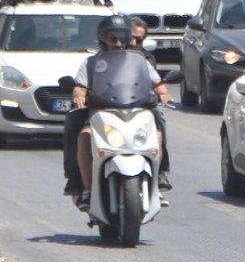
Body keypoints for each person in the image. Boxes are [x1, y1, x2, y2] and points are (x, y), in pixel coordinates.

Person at [65, 16, 172, 212]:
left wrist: (164, 94)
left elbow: (158, 83)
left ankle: (157, 183)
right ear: (103, 39)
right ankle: (86, 190)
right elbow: (79, 86)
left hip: (136, 112)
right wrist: (79, 96)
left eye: (122, 38)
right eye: (112, 39)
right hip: (102, 113)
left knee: (157, 134)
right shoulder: (92, 63)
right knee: (83, 137)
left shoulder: (140, 62)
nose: (118, 43)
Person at [130, 18, 172, 192]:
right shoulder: (107, 56)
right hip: (110, 106)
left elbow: (156, 82)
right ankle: (78, 178)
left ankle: (161, 171)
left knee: (159, 120)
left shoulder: (146, 59)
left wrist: (163, 94)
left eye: (138, 40)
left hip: (140, 106)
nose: (133, 43)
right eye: (130, 38)